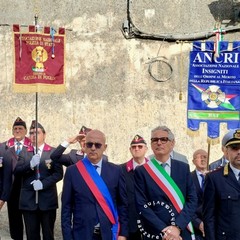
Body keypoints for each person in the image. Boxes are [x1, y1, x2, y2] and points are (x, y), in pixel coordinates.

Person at [61, 129, 128, 240]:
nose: (93, 148)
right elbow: (66, 209)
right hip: (82, 234)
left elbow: (122, 204)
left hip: (110, 233)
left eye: (97, 145)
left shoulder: (116, 171)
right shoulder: (72, 172)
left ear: (105, 147)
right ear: (85, 146)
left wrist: (123, 233)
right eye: (89, 144)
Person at [134, 125, 197, 240]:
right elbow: (141, 205)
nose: (159, 143)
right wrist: (166, 230)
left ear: (172, 143)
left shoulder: (183, 168)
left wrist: (177, 227)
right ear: (151, 144)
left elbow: (192, 200)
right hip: (156, 232)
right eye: (155, 140)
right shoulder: (142, 171)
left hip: (181, 231)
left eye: (163, 139)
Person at [14, 120, 63, 240]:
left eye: (37, 133)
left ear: (44, 135)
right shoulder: (23, 152)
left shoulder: (52, 152)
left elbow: (58, 174)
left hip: (47, 201)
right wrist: (30, 165)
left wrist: (43, 184)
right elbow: (16, 171)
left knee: (48, 235)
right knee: (32, 235)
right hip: (28, 201)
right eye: (31, 133)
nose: (33, 135)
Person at [203, 128, 240, 240]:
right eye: (235, 148)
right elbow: (209, 217)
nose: (239, 152)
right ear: (226, 151)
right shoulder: (214, 178)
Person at [0, 117, 32, 240]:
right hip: (11, 192)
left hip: (28, 191)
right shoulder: (3, 147)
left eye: (20, 128)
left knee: (30, 223)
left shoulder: (32, 146)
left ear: (25, 131)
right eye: (15, 129)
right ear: (12, 131)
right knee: (14, 222)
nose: (17, 131)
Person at [121, 134, 148, 240]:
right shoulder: (121, 170)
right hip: (130, 226)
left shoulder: (156, 170)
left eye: (140, 146)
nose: (136, 149)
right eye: (134, 147)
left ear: (146, 149)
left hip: (152, 224)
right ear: (130, 149)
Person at [191, 149, 208, 240]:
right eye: (199, 157)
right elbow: (186, 203)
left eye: (205, 157)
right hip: (195, 228)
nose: (203, 159)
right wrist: (198, 223)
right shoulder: (188, 178)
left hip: (213, 227)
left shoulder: (216, 177)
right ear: (193, 161)